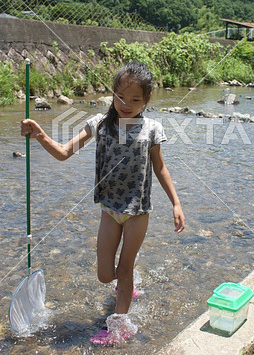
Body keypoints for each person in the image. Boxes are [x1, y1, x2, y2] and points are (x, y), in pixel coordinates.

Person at [21, 61, 185, 346]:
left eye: (135, 99)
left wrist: (176, 203)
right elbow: (63, 153)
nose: (127, 104)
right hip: (109, 211)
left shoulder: (152, 129)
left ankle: (119, 328)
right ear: (112, 93)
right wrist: (39, 134)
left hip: (137, 212)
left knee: (125, 267)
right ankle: (126, 287)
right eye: (121, 96)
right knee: (104, 274)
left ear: (147, 100)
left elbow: (160, 168)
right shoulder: (99, 124)